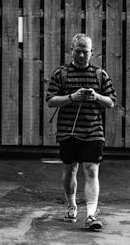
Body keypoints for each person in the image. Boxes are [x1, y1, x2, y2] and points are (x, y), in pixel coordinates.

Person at [45, 33, 116, 231]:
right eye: (78, 52)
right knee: (70, 169)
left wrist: (96, 96)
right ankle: (71, 205)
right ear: (71, 51)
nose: (82, 56)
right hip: (68, 131)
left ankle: (91, 215)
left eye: (85, 52)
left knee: (92, 170)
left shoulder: (100, 75)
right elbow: (50, 100)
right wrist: (72, 97)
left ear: (92, 52)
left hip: (93, 130)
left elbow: (111, 102)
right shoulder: (61, 73)